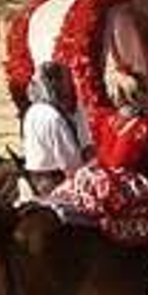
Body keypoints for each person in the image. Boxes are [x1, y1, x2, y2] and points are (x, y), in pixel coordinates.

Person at [48, 72, 148, 247]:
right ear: (138, 95)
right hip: (121, 180)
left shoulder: (107, 118)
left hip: (95, 173)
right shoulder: (146, 126)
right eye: (147, 92)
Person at [21, 61, 90, 196]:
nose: (68, 88)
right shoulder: (54, 117)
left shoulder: (31, 112)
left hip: (36, 181)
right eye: (64, 83)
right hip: (56, 182)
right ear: (55, 85)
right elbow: (71, 164)